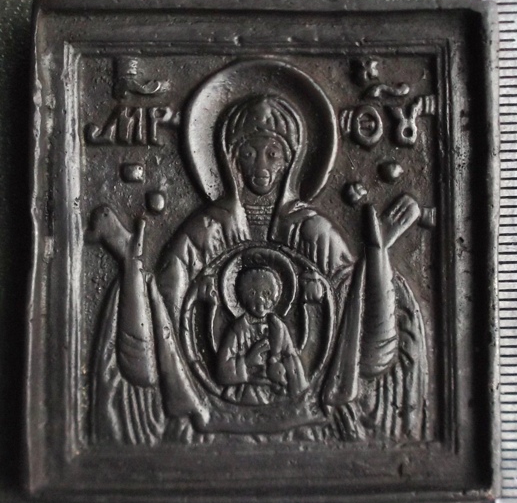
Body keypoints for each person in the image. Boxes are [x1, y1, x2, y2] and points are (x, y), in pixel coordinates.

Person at [87, 65, 427, 444]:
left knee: (384, 287)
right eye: (249, 153)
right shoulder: (207, 227)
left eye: (272, 153)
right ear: (229, 159)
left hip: (307, 401)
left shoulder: (313, 228)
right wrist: (165, 282)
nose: (261, 166)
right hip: (212, 397)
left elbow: (356, 314)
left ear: (291, 160)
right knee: (138, 290)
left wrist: (373, 258)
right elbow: (165, 305)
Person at [217, 266, 308, 405]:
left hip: (277, 390)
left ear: (275, 296)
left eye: (267, 293)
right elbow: (222, 370)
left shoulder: (279, 327)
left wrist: (281, 367)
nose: (260, 301)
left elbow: (290, 356)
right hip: (245, 393)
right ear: (242, 297)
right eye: (252, 293)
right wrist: (247, 362)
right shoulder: (237, 329)